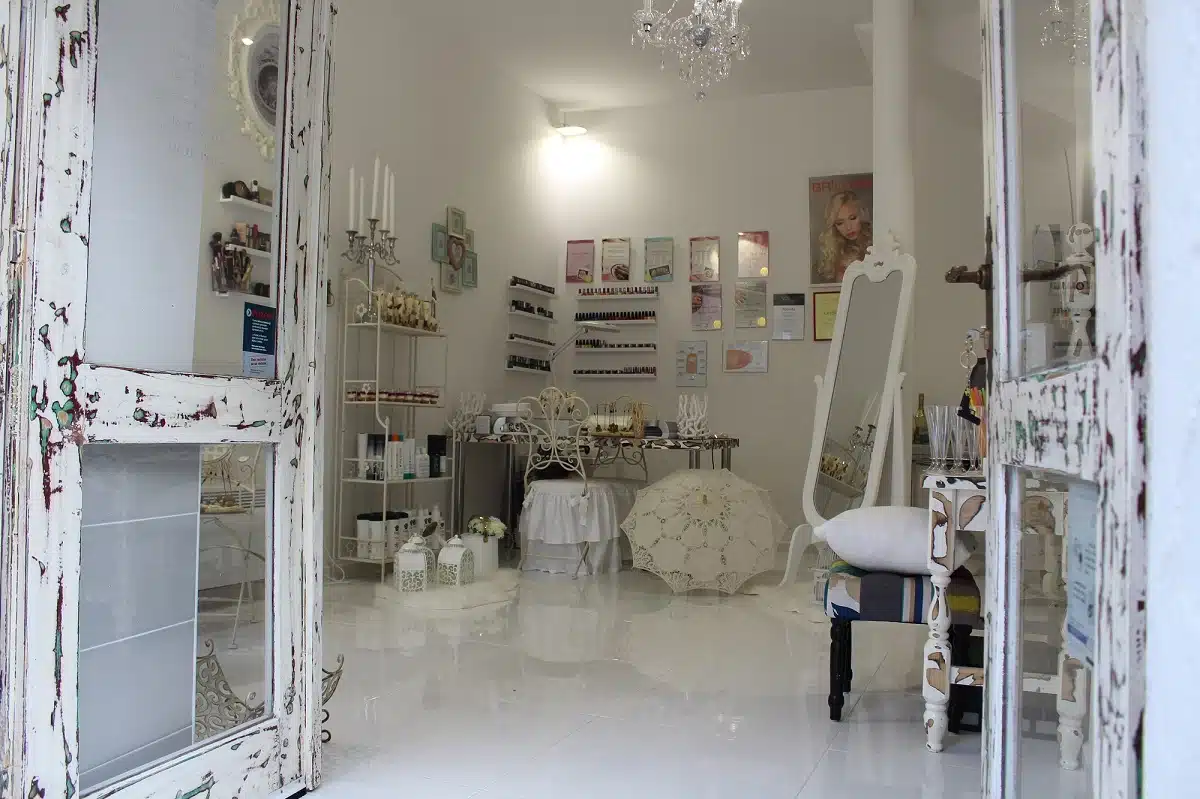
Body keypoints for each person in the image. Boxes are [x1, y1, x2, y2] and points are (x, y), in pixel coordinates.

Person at [817, 190, 873, 283]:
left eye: (852, 218)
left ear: (862, 215)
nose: (848, 227)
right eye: (840, 223)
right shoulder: (834, 253)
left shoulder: (876, 242)